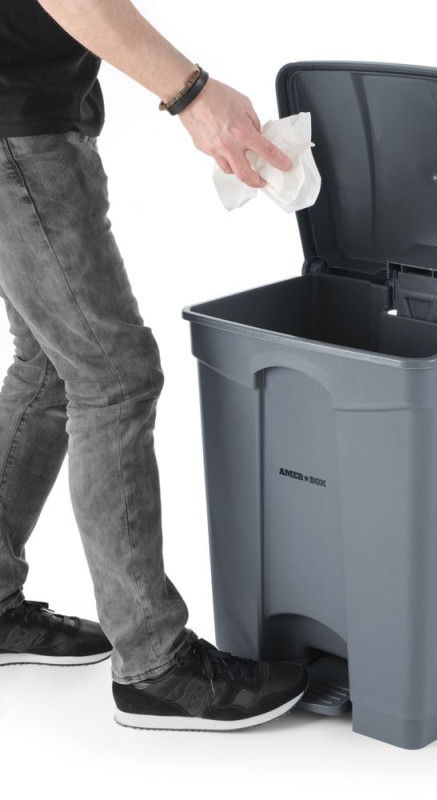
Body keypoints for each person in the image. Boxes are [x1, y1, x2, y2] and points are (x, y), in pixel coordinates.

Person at [0, 0, 307, 732]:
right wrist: (192, 94)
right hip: (18, 129)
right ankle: (155, 666)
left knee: (50, 366)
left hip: (24, 118)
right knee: (113, 377)